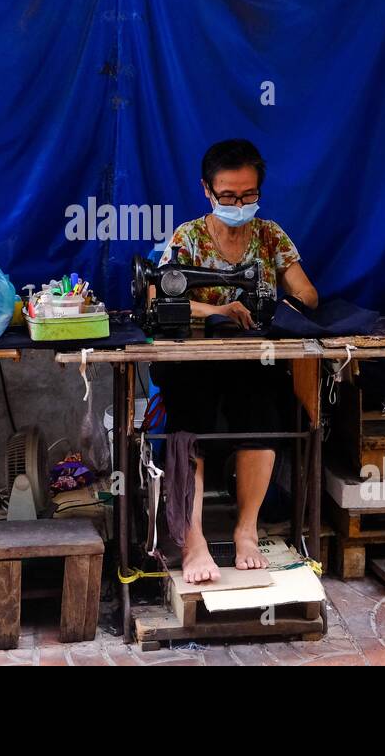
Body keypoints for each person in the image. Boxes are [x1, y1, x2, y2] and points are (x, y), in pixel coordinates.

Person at [151, 138, 318, 584]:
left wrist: (276, 306)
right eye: (228, 196)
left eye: (248, 195)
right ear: (207, 189)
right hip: (194, 360)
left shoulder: (270, 236)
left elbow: (308, 294)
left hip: (251, 357)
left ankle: (247, 531)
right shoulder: (187, 237)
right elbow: (157, 296)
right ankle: (193, 540)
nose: (238, 203)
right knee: (188, 423)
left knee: (264, 412)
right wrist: (216, 311)